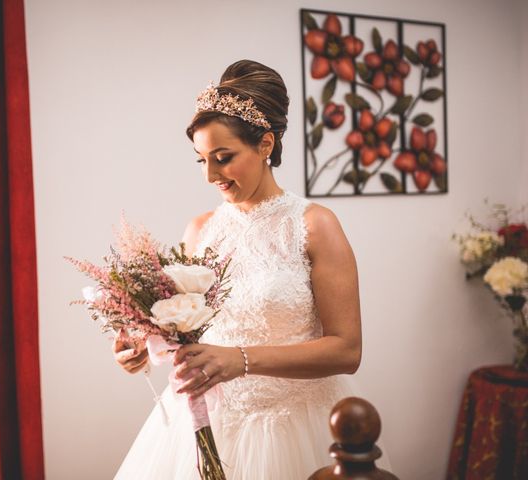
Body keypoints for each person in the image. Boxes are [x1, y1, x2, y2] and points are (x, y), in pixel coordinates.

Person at [113, 60, 390, 479]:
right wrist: (144, 346)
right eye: (201, 160)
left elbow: (347, 350)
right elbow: (186, 329)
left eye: (223, 158)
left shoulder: (315, 225)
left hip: (292, 424)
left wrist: (239, 360)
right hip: (206, 424)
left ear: (265, 144)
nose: (210, 175)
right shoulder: (201, 229)